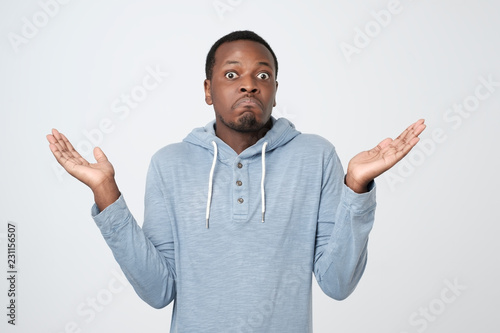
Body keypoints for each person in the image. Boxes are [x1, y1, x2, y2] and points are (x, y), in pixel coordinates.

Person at [47, 30, 425, 332]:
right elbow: (159, 290)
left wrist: (356, 188)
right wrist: (106, 194)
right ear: (208, 90)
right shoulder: (170, 163)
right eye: (232, 74)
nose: (249, 85)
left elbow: (338, 283)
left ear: (275, 91)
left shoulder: (316, 156)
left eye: (263, 75)